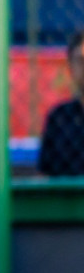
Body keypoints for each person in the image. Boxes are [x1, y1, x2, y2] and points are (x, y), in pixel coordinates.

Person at [39, 31, 84, 177]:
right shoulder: (58, 117)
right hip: (65, 199)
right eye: (81, 60)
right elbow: (44, 174)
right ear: (70, 66)